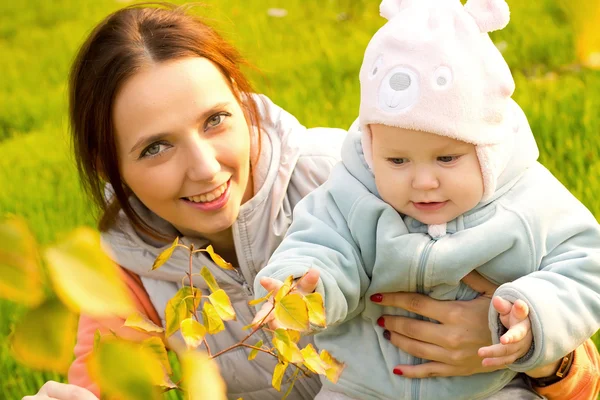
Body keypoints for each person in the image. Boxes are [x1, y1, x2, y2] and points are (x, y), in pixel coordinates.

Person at [22, 2, 600, 400]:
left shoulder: (365, 179)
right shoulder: (125, 268)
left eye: (216, 120)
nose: (204, 166)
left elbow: (582, 377)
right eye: (155, 147)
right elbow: (104, 387)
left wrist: (526, 350)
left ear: (245, 104)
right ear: (112, 167)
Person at [254, 0, 600, 399]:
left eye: (447, 158)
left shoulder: (528, 201)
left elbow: (586, 267)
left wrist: (532, 317)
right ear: (369, 148)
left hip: (487, 388)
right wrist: (304, 286)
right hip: (359, 389)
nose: (423, 181)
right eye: (396, 159)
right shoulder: (351, 194)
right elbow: (321, 245)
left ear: (490, 148)